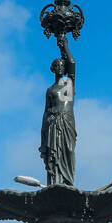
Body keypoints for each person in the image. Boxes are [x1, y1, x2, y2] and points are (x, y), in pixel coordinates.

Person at [39, 34, 76, 186]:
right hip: (52, 124)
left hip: (66, 123)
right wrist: (43, 135)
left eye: (62, 64)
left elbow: (72, 62)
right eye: (57, 64)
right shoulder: (50, 90)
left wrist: (64, 46)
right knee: (53, 158)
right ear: (53, 69)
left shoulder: (69, 84)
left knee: (67, 151)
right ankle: (54, 183)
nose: (61, 66)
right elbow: (45, 111)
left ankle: (67, 183)